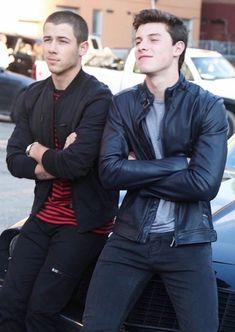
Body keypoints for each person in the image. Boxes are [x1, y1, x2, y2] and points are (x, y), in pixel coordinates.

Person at [81, 9, 228, 332]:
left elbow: (204, 184)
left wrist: (136, 171)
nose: (141, 46)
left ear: (177, 48)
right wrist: (177, 165)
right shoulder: (124, 103)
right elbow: (109, 174)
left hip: (187, 242)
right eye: (137, 40)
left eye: (152, 39)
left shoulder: (208, 107)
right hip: (129, 238)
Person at [0, 10, 118, 332]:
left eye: (62, 41)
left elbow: (77, 164)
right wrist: (53, 161)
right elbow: (13, 160)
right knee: (9, 302)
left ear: (82, 48)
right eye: (47, 39)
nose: (51, 48)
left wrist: (36, 150)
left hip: (83, 223)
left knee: (41, 311)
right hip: (42, 216)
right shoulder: (32, 95)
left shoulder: (98, 97)